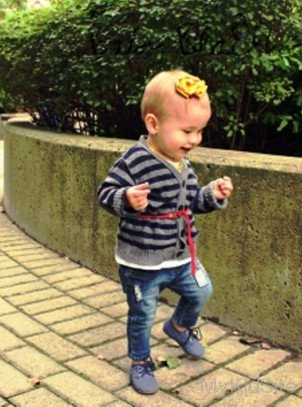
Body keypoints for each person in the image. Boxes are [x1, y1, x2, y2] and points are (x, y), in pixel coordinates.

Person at [97, 70, 234, 394]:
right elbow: (105, 192)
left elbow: (191, 202)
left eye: (200, 131)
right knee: (142, 313)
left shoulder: (183, 163)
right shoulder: (135, 160)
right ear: (153, 124)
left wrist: (211, 195)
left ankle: (179, 326)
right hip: (142, 262)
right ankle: (141, 360)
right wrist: (127, 198)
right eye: (187, 131)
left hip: (181, 255)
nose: (195, 140)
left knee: (201, 291)